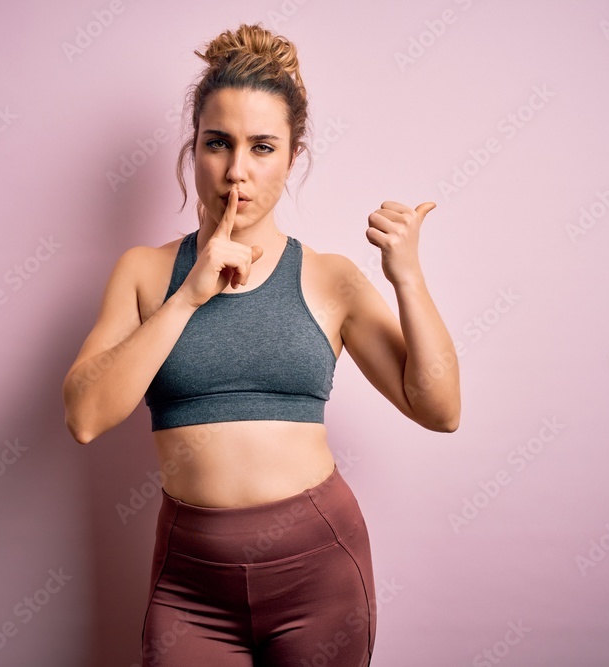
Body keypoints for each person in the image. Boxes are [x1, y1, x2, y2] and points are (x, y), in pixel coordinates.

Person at [63, 22, 460, 666]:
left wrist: (407, 277)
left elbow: (440, 409)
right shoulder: (144, 272)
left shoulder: (330, 279)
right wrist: (189, 294)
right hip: (191, 586)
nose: (237, 172)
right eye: (218, 144)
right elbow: (84, 417)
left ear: (292, 157)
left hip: (320, 579)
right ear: (192, 151)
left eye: (262, 147)